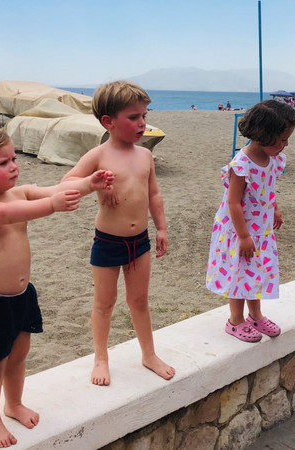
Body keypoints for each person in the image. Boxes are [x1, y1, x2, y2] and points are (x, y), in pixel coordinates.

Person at [0, 124, 113, 448]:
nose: (14, 166)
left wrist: (89, 184)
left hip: (21, 296)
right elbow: (7, 214)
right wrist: (51, 206)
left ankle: (13, 404)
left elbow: (56, 189)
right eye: (3, 162)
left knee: (19, 355)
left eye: (13, 158)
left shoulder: (19, 192)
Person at [61, 80, 175, 386]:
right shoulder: (98, 156)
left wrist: (161, 228)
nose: (142, 123)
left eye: (144, 115)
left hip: (140, 242)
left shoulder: (145, 155)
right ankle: (101, 358)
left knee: (139, 301)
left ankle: (149, 355)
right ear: (108, 122)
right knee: (104, 303)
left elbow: (154, 194)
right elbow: (66, 184)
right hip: (108, 241)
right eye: (133, 117)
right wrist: (93, 183)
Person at [206, 100, 295, 342]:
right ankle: (235, 320)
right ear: (262, 134)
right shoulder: (241, 165)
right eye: (282, 139)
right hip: (240, 230)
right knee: (239, 273)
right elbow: (233, 203)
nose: (285, 145)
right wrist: (244, 236)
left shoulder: (273, 159)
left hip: (260, 229)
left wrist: (274, 209)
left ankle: (255, 316)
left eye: (287, 139)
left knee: (255, 273)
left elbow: (268, 189)